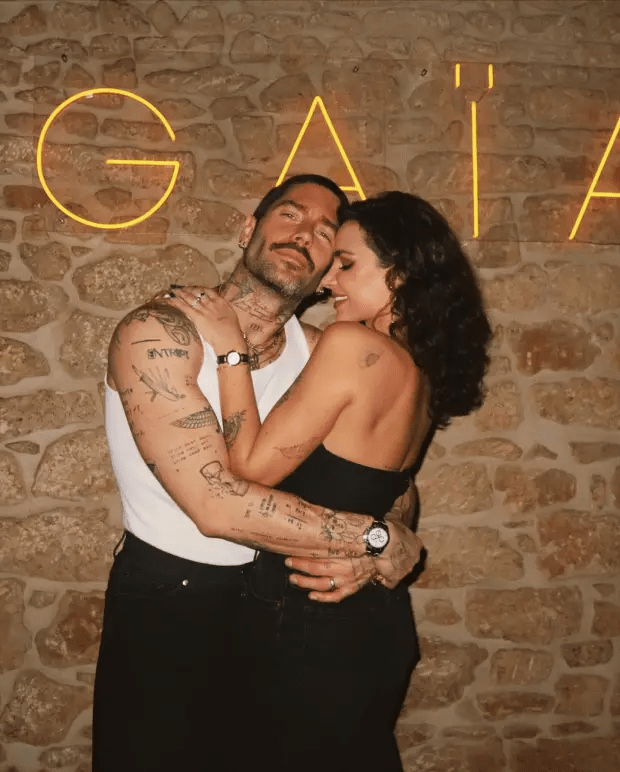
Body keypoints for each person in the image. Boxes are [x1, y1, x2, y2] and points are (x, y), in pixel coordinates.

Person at [93, 175, 424, 772]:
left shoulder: (328, 349)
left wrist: (386, 532)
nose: (305, 235)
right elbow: (217, 505)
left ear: (330, 267)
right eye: (291, 216)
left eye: (325, 233)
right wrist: (373, 539)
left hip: (281, 614)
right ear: (249, 227)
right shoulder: (158, 334)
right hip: (173, 601)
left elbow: (390, 480)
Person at [164, 191, 492, 771]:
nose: (326, 282)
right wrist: (383, 542)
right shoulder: (416, 369)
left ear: (403, 270)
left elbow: (247, 472)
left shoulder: (355, 347)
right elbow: (389, 495)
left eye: (346, 264)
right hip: (365, 623)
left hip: (311, 626)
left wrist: (230, 349)